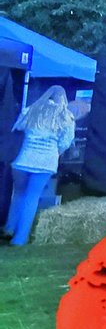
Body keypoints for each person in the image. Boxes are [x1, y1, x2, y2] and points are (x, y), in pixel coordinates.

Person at [4, 86, 78, 246]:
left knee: (18, 193)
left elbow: (17, 128)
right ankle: (20, 238)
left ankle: (10, 227)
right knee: (32, 197)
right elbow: (66, 142)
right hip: (45, 163)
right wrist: (56, 151)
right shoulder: (66, 117)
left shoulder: (30, 110)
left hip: (22, 159)